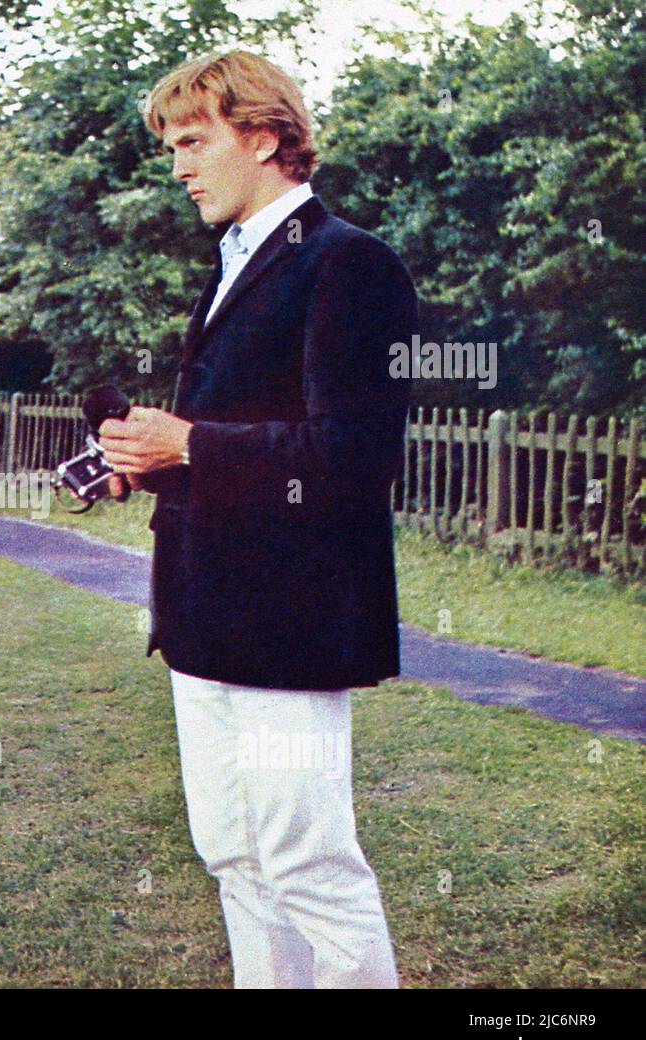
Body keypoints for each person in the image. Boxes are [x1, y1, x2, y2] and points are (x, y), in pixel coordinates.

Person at [99, 50, 415, 988]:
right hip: (202, 619)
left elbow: (356, 459)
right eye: (173, 148)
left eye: (194, 142)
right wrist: (146, 464)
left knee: (308, 865)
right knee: (234, 857)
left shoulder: (351, 264)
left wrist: (189, 446)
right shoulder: (237, 260)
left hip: (292, 624)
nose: (179, 166)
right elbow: (237, 441)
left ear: (267, 138)